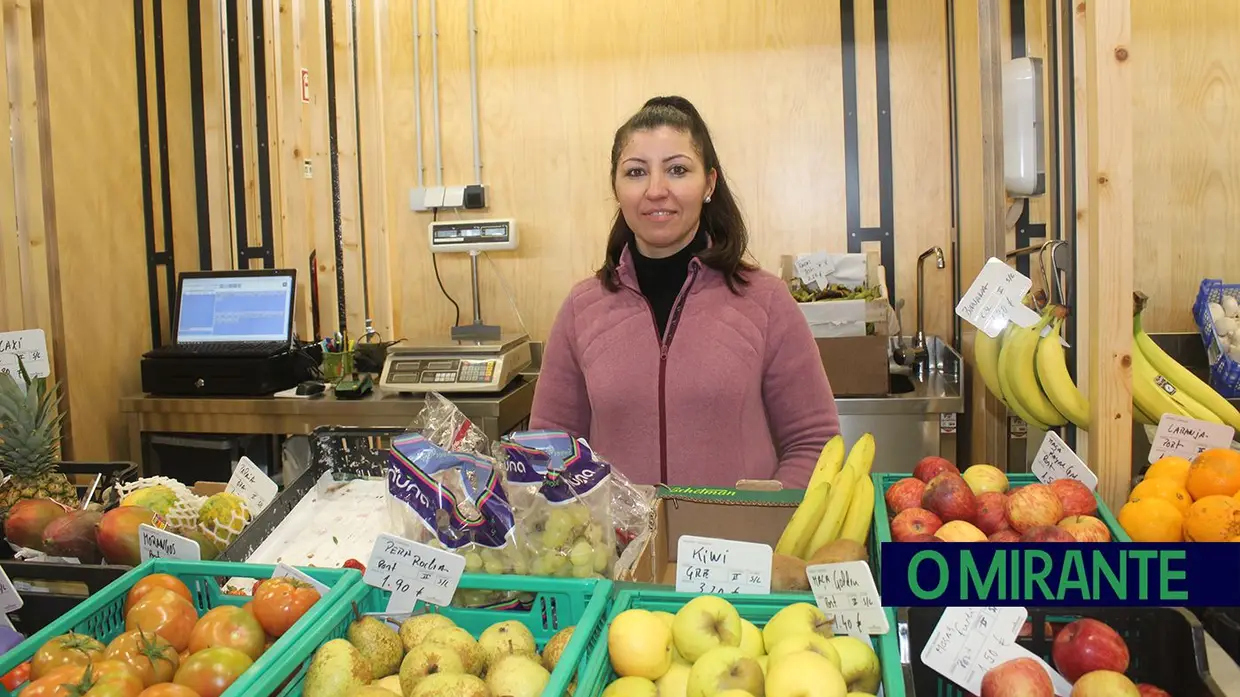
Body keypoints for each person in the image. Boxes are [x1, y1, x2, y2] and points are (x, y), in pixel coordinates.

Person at [529, 96, 840, 488]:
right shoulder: (581, 308)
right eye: (636, 172)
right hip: (620, 549)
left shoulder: (766, 301)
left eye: (677, 170)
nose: (656, 190)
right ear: (616, 187)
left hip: (737, 548)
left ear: (708, 183)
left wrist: (764, 522)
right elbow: (550, 448)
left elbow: (814, 442)